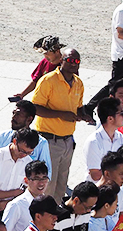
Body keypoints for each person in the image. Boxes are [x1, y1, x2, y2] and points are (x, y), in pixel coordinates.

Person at [30, 48, 87, 199]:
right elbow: (35, 108)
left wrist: (83, 115)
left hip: (68, 141)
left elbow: (78, 107)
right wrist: (62, 115)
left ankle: (55, 213)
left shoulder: (78, 83)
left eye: (77, 61)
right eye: (70, 60)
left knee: (61, 185)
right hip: (49, 140)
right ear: (61, 60)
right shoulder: (48, 80)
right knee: (47, 185)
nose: (74, 64)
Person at [0, 128, 40, 211]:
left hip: (15, 209)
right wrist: (15, 193)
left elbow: (28, 193)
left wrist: (8, 203)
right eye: (21, 151)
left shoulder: (28, 162)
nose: (24, 155)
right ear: (14, 141)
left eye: (29, 153)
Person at [0, 100, 53, 174]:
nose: (13, 117)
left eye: (18, 114)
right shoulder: (2, 137)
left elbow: (46, 172)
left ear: (29, 119)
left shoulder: (41, 143)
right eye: (13, 113)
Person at [3, 160, 51, 231]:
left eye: (44, 178)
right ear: (26, 180)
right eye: (36, 179)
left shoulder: (48, 203)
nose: (41, 183)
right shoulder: (16, 205)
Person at [82, 97, 123, 181]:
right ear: (110, 119)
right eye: (121, 113)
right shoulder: (93, 142)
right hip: (98, 188)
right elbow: (95, 175)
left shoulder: (120, 137)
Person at [11, 36, 64, 100]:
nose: (45, 56)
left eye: (47, 53)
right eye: (44, 54)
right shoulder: (44, 62)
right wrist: (22, 94)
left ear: (57, 51)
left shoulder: (67, 66)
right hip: (42, 100)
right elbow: (35, 81)